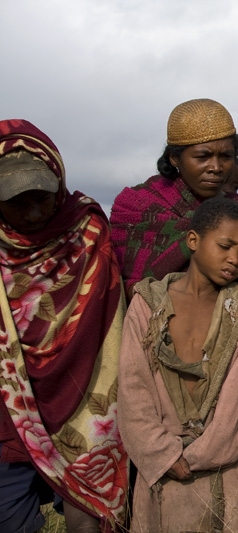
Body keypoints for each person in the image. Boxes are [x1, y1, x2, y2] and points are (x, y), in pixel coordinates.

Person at [0, 119, 128, 532]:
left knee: (88, 515)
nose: (35, 213)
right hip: (8, 419)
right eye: (18, 202)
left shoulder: (86, 230)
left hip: (81, 402)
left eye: (43, 197)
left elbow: (105, 324)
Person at [118, 198, 238, 532]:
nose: (234, 260)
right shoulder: (148, 304)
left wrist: (198, 456)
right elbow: (133, 387)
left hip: (223, 468)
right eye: (225, 246)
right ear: (193, 241)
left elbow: (236, 396)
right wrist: (162, 455)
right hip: (161, 469)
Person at [111, 98, 238, 299]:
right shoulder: (137, 205)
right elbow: (128, 285)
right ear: (174, 158)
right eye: (202, 157)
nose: (216, 167)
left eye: (225, 156)